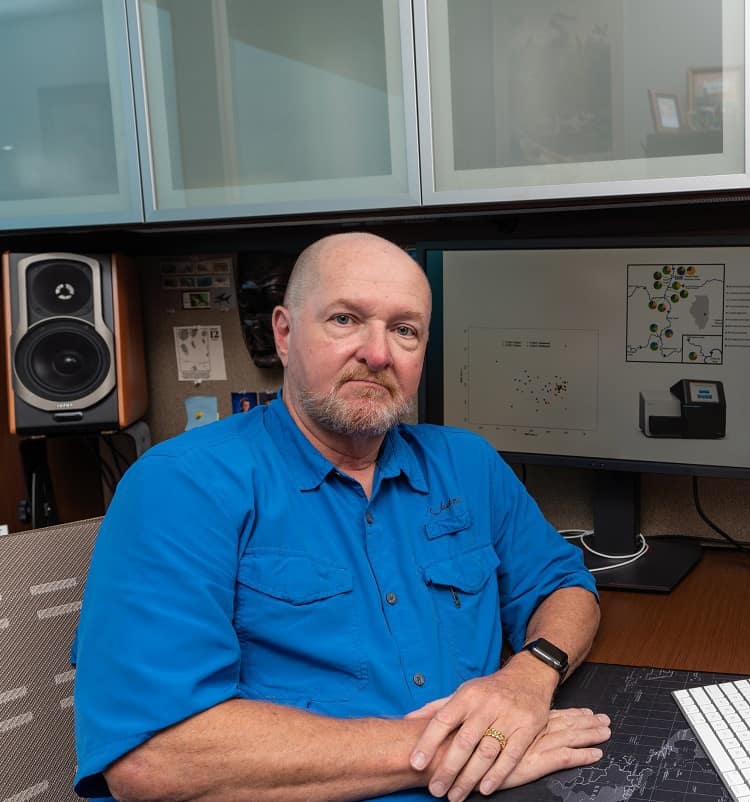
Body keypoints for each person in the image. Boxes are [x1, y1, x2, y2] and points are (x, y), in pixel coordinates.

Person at [72, 233, 608, 802]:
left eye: (405, 330)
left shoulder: (467, 463)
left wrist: (528, 677)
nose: (378, 354)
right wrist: (445, 748)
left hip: (491, 784)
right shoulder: (182, 486)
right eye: (346, 319)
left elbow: (563, 585)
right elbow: (153, 759)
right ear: (283, 333)